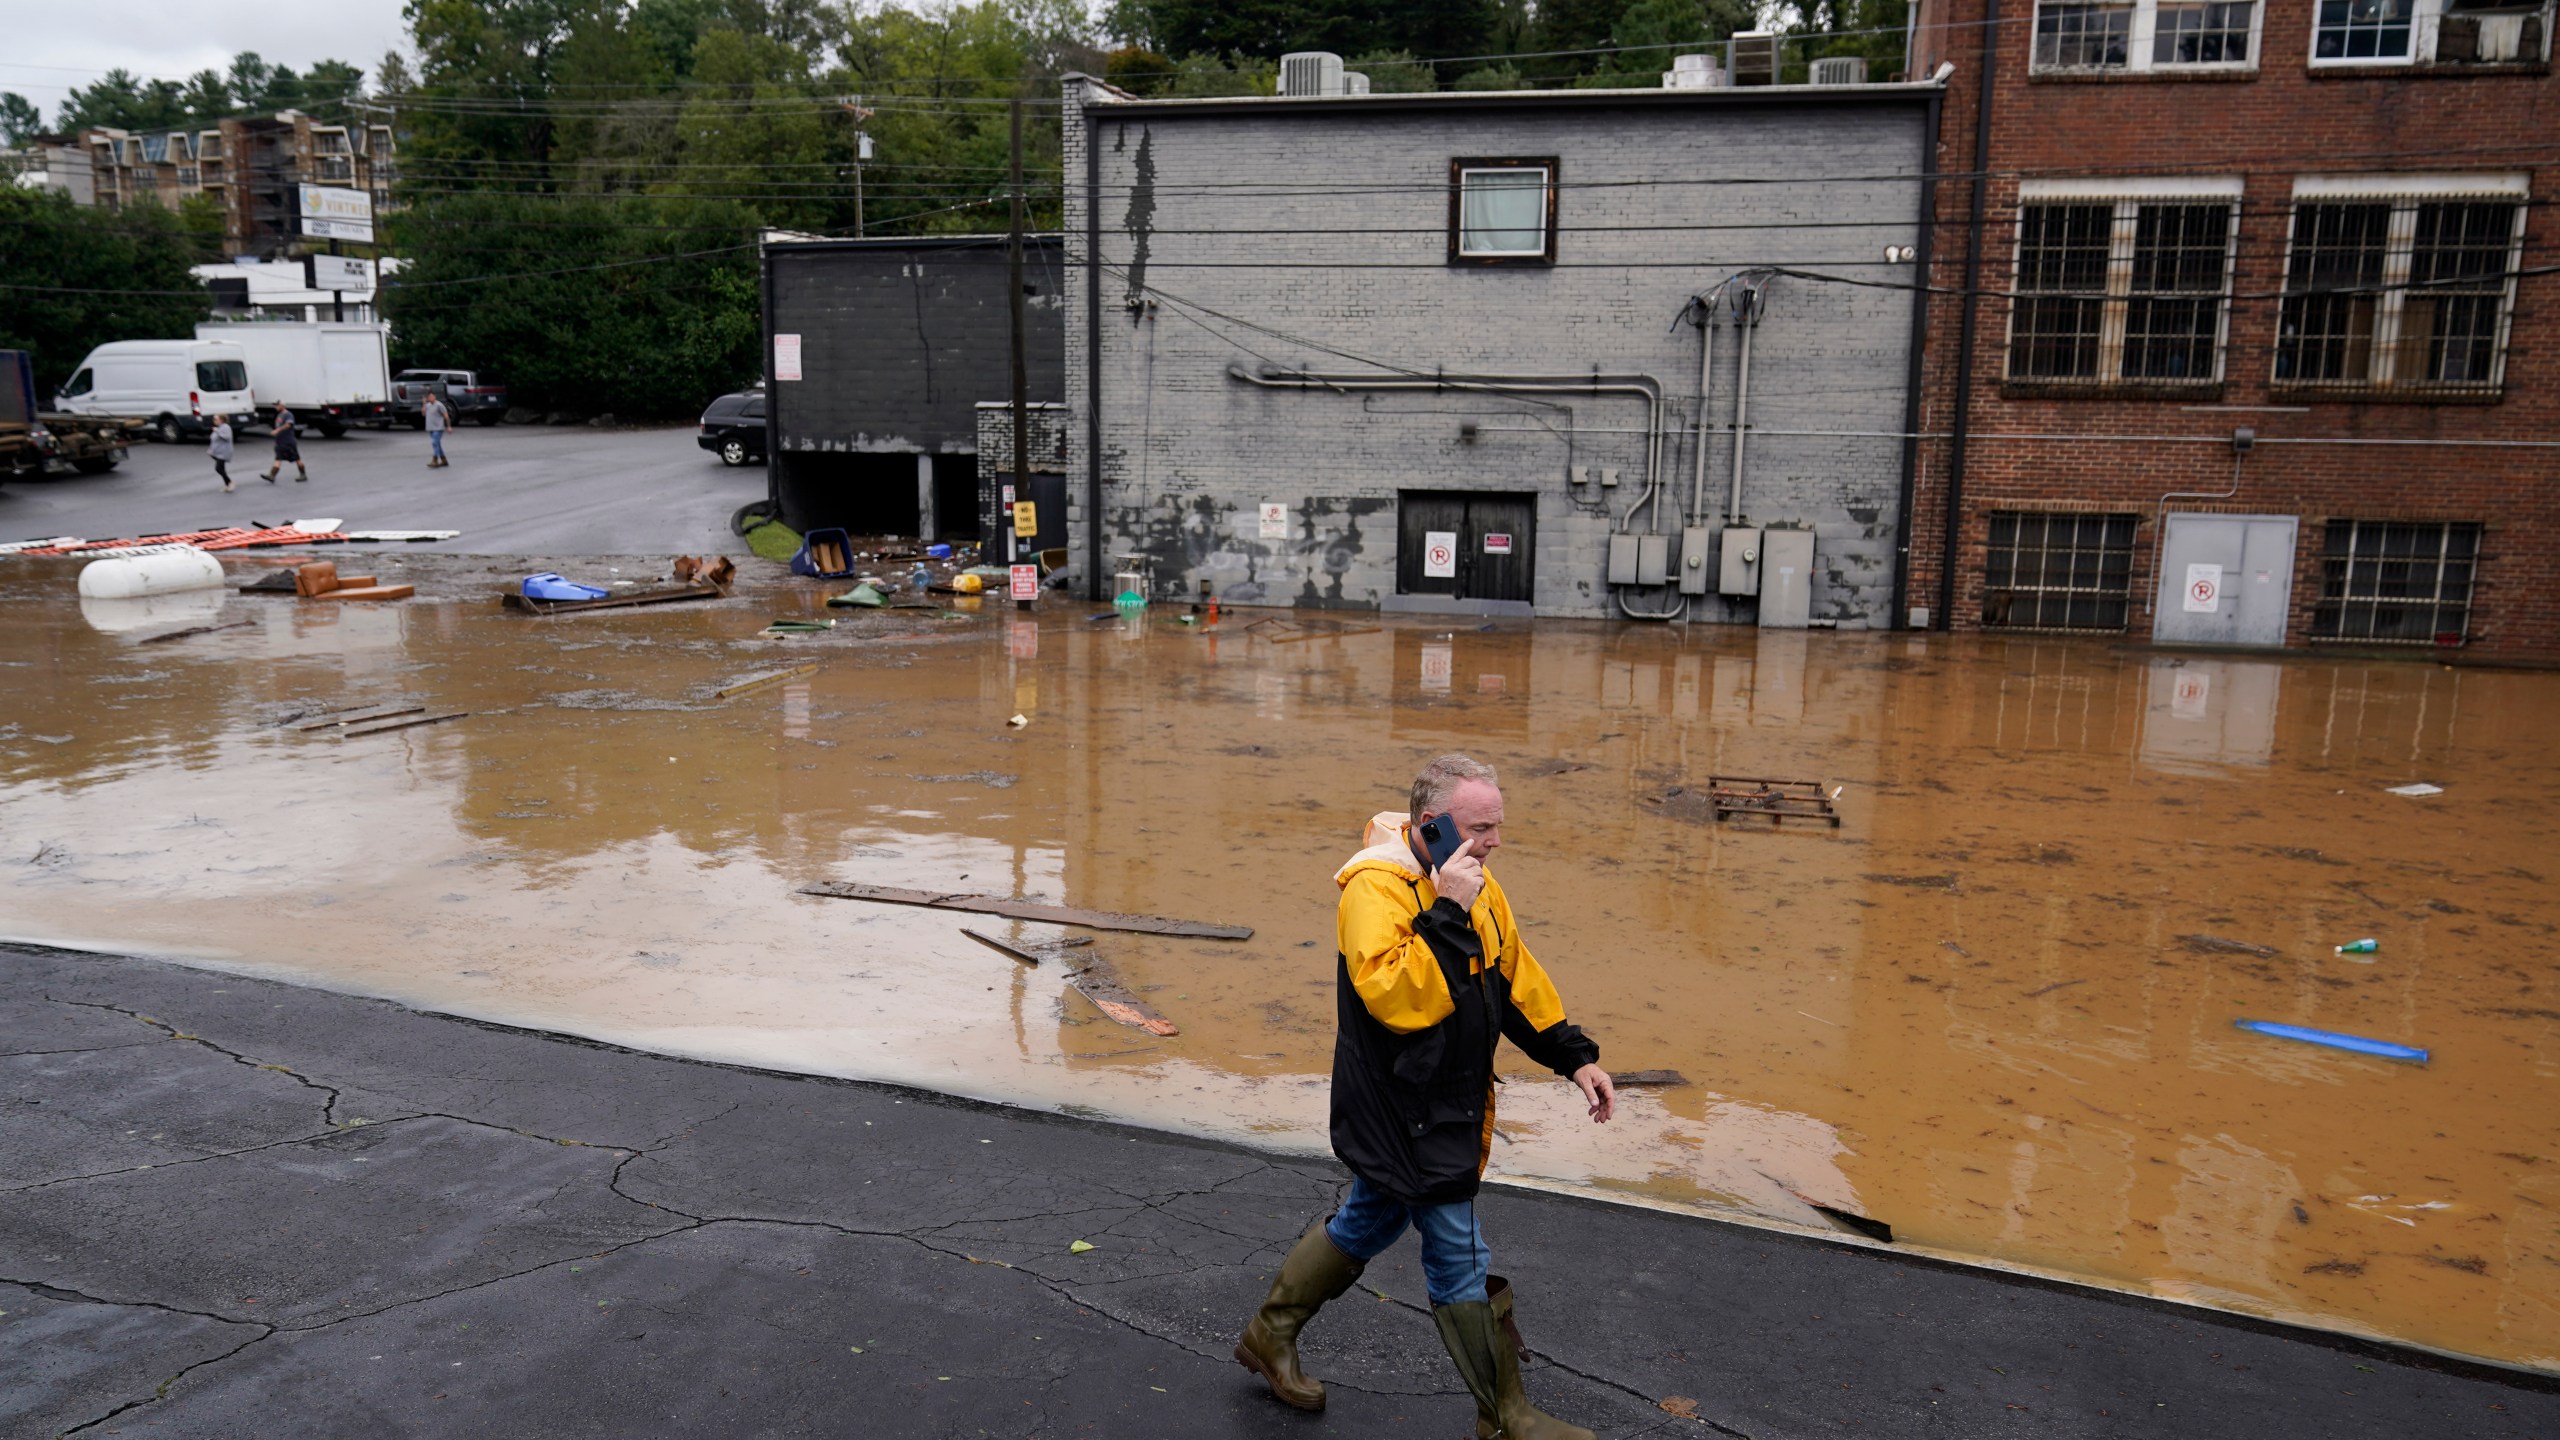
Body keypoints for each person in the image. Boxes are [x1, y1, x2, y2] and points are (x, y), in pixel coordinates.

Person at [1236, 753, 1613, 1440]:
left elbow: (1513, 976)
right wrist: (1447, 909)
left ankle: (1269, 1335)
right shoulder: (1372, 892)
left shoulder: (1477, 883)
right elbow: (1399, 1000)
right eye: (1480, 827)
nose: (1494, 841)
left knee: (1369, 1221)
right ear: (1433, 826)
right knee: (1457, 1251)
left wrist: (1573, 1057)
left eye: (1498, 825)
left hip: (1450, 1101)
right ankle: (1504, 1417)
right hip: (1399, 1108)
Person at [260, 404, 307, 483]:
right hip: (280, 442)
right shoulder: (280, 415)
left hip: (288, 441)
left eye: (277, 406)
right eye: (275, 406)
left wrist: (277, 431)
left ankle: (303, 474)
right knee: (278, 458)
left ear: (282, 405)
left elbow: (288, 425)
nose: (276, 407)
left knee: (297, 458)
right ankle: (272, 476)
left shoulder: (288, 415)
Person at [422, 390, 451, 468]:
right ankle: (444, 459)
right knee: (437, 444)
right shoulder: (427, 405)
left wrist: (448, 426)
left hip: (438, 428)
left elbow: (446, 416)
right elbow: (423, 413)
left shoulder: (439, 405)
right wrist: (424, 403)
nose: (431, 398)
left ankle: (435, 460)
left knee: (434, 443)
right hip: (430, 428)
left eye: (432, 396)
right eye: (429, 397)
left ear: (435, 397)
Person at [208, 412, 235, 492]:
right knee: (221, 468)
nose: (214, 420)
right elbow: (214, 440)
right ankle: (228, 485)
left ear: (221, 420)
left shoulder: (225, 427)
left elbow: (226, 437)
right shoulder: (220, 427)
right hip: (219, 452)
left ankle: (230, 482)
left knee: (218, 468)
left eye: (216, 419)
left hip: (224, 452)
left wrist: (217, 431)